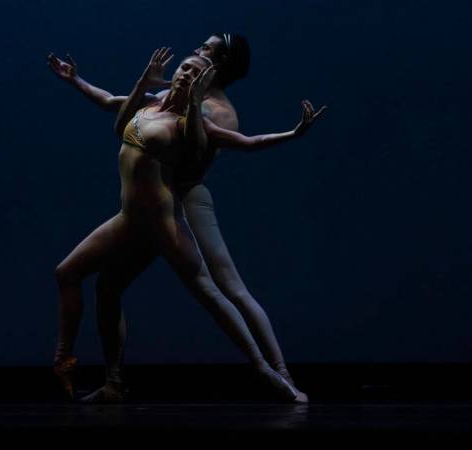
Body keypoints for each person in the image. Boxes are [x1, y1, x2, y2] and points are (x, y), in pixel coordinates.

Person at [48, 36, 326, 401]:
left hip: (181, 200)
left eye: (203, 55)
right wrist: (79, 81)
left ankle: (276, 372)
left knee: (224, 287)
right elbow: (115, 109)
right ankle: (108, 381)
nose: (192, 58)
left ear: (217, 66)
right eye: (185, 64)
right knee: (102, 284)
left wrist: (290, 132)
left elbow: (220, 149)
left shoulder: (211, 113)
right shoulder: (157, 101)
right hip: (134, 212)